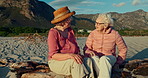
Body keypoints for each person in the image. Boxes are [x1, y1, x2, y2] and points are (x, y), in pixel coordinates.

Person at [47, 6, 94, 78]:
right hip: (57, 61)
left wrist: (81, 54)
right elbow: (53, 55)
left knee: (88, 61)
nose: (71, 19)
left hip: (71, 58)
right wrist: (70, 55)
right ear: (63, 21)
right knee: (76, 62)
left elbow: (75, 49)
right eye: (69, 18)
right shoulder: (53, 33)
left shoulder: (70, 31)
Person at [83, 13, 127, 78]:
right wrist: (89, 52)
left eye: (98, 23)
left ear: (105, 25)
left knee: (104, 59)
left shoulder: (115, 34)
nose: (96, 25)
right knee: (94, 58)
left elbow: (123, 49)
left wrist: (118, 62)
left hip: (109, 58)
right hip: (96, 58)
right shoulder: (93, 34)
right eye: (95, 23)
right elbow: (86, 48)